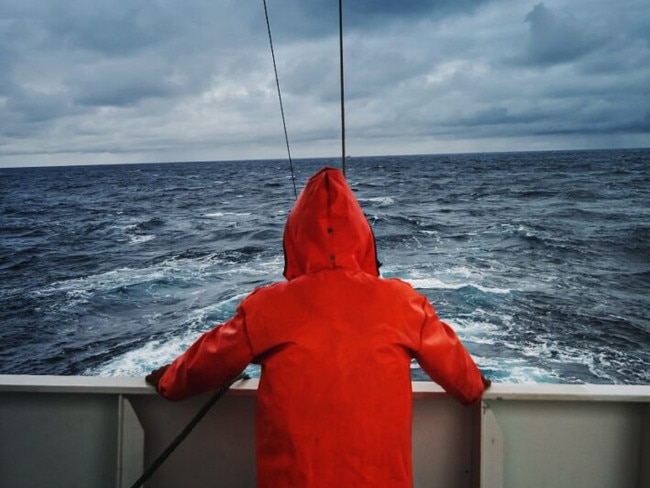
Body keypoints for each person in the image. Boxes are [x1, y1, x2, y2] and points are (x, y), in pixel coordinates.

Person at [146, 167, 490, 488]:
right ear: (365, 239)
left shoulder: (267, 306)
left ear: (294, 240)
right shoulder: (404, 302)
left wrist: (167, 382)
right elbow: (463, 381)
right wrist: (476, 386)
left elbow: (209, 361)